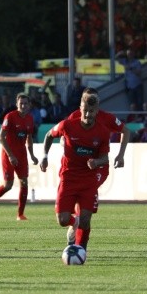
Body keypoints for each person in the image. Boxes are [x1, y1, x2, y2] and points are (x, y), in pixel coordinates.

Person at [39, 91, 111, 259]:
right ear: (80, 108)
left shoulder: (102, 132)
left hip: (89, 180)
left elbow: (105, 157)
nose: (87, 114)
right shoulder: (67, 125)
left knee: (86, 219)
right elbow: (49, 135)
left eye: (91, 111)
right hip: (68, 178)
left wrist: (97, 162)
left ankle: (81, 250)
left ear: (96, 111)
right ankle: (74, 223)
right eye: (84, 110)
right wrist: (44, 156)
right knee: (62, 220)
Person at [64, 87, 130, 244]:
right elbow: (64, 134)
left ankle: (78, 244)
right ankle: (76, 223)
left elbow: (125, 131)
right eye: (87, 99)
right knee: (74, 203)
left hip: (99, 168)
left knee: (84, 204)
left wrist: (121, 155)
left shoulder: (106, 118)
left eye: (93, 100)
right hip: (79, 168)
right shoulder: (75, 116)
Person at [0, 92, 38, 221]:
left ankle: (20, 214)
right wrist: (10, 155)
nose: (23, 106)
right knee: (8, 185)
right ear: (17, 104)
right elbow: (1, 137)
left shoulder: (30, 119)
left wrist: (32, 155)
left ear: (29, 105)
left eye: (25, 104)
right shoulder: (10, 117)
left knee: (24, 183)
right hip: (8, 153)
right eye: (21, 104)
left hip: (22, 154)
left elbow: (29, 138)